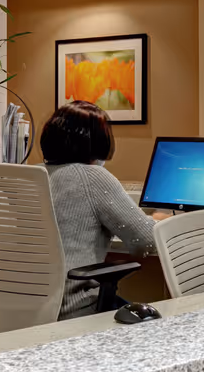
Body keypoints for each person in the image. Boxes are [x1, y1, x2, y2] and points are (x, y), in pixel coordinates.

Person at [40, 100, 167, 318]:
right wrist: (162, 222)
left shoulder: (34, 175)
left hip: (29, 307)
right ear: (98, 141)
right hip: (75, 306)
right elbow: (146, 240)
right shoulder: (92, 177)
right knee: (155, 323)